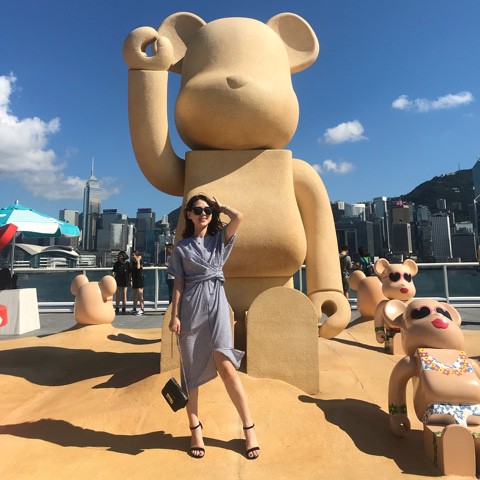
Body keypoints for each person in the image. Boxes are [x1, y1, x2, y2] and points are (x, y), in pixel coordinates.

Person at [168, 194, 260, 460]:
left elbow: (239, 217)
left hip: (218, 307)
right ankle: (195, 429)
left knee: (227, 366)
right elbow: (178, 284)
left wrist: (220, 206)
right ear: (188, 214)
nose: (203, 214)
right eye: (197, 210)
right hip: (191, 310)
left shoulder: (218, 240)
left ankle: (249, 428)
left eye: (207, 210)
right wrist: (175, 315)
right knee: (190, 373)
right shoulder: (181, 247)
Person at [130, 250, 145, 315]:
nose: (132, 257)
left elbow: (138, 267)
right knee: (134, 295)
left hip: (139, 280)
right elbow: (131, 272)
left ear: (137, 256)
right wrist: (130, 280)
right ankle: (134, 308)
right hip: (135, 280)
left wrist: (138, 260)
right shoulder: (133, 263)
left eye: (133, 255)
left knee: (140, 295)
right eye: (132, 255)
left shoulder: (140, 262)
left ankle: (142, 309)